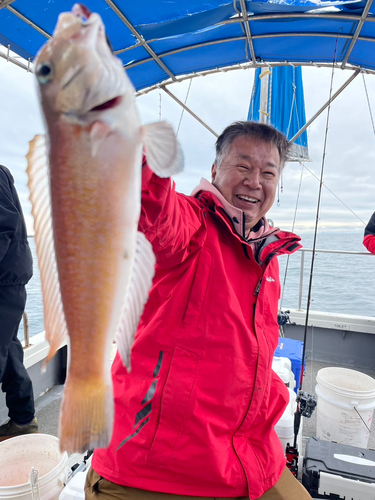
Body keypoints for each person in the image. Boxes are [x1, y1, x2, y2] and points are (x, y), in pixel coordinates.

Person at [85, 122, 311, 499]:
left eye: (268, 172)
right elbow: (154, 217)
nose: (255, 181)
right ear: (214, 171)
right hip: (153, 467)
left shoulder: (266, 256)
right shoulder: (191, 226)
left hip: (247, 455)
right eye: (243, 166)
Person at [0, 164, 38, 440]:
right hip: (10, 276)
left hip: (5, 278)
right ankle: (23, 421)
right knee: (10, 349)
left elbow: (5, 225)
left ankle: (24, 420)